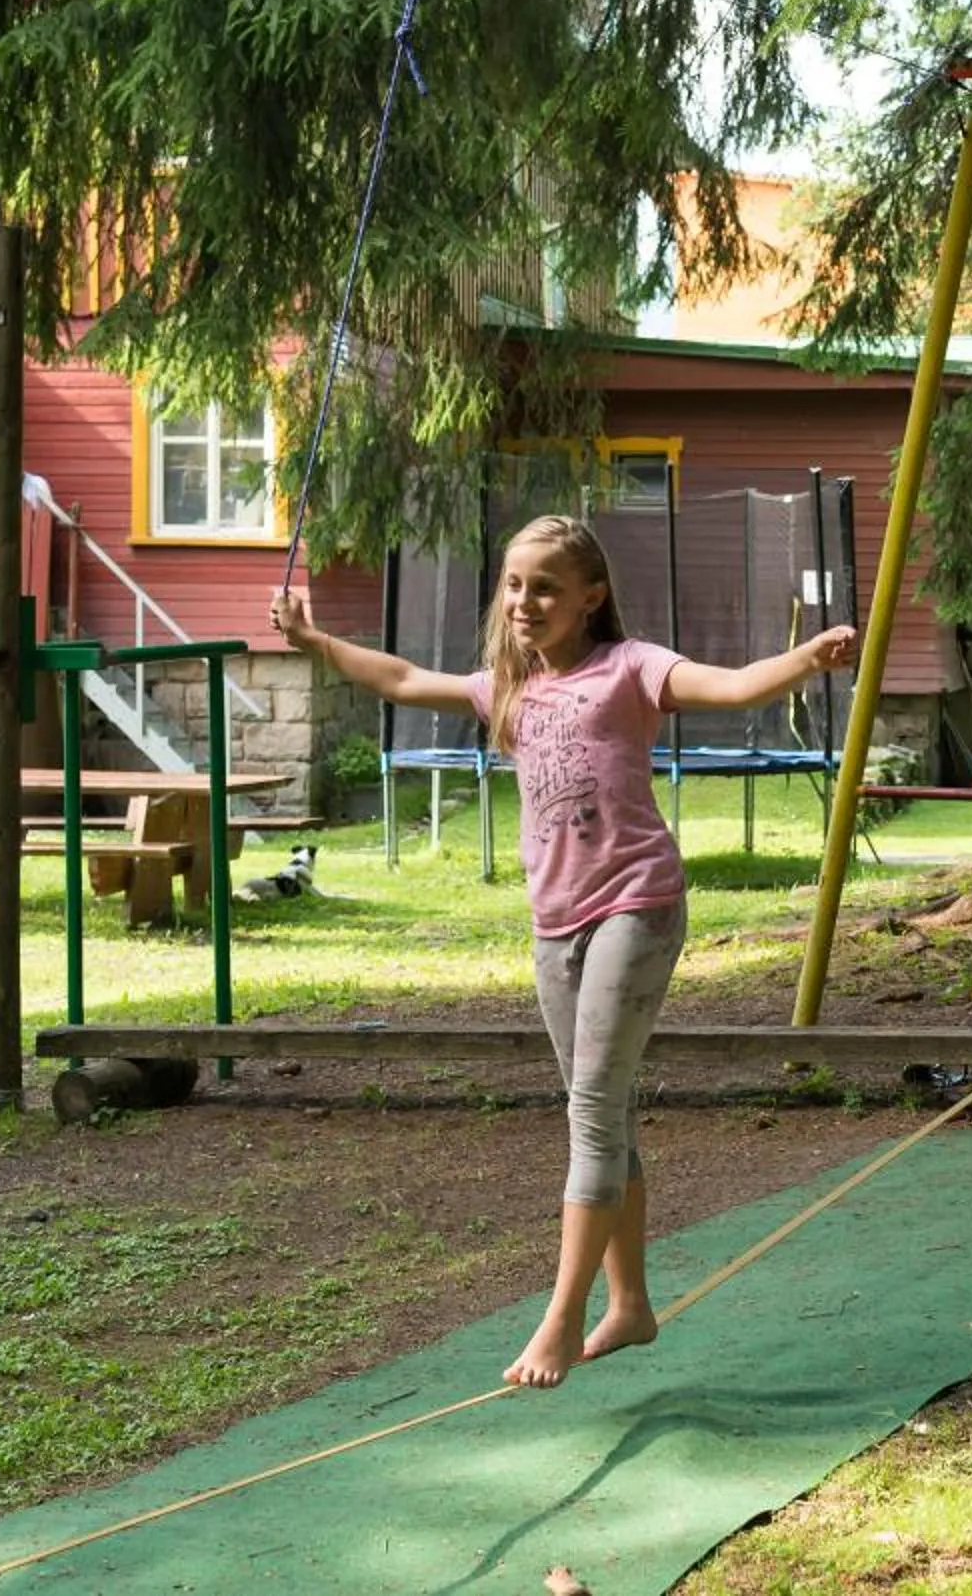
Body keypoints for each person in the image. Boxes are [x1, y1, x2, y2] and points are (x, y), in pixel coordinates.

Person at [272, 514, 858, 1389]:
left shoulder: (631, 668)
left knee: (590, 1109)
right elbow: (396, 676)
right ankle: (631, 1304)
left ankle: (560, 1318)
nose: (524, 601)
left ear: (591, 598)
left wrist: (805, 661)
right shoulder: (506, 693)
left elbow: (732, 687)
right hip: (555, 926)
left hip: (638, 907)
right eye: (513, 585)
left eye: (544, 586)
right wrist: (315, 641)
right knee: (606, 1114)